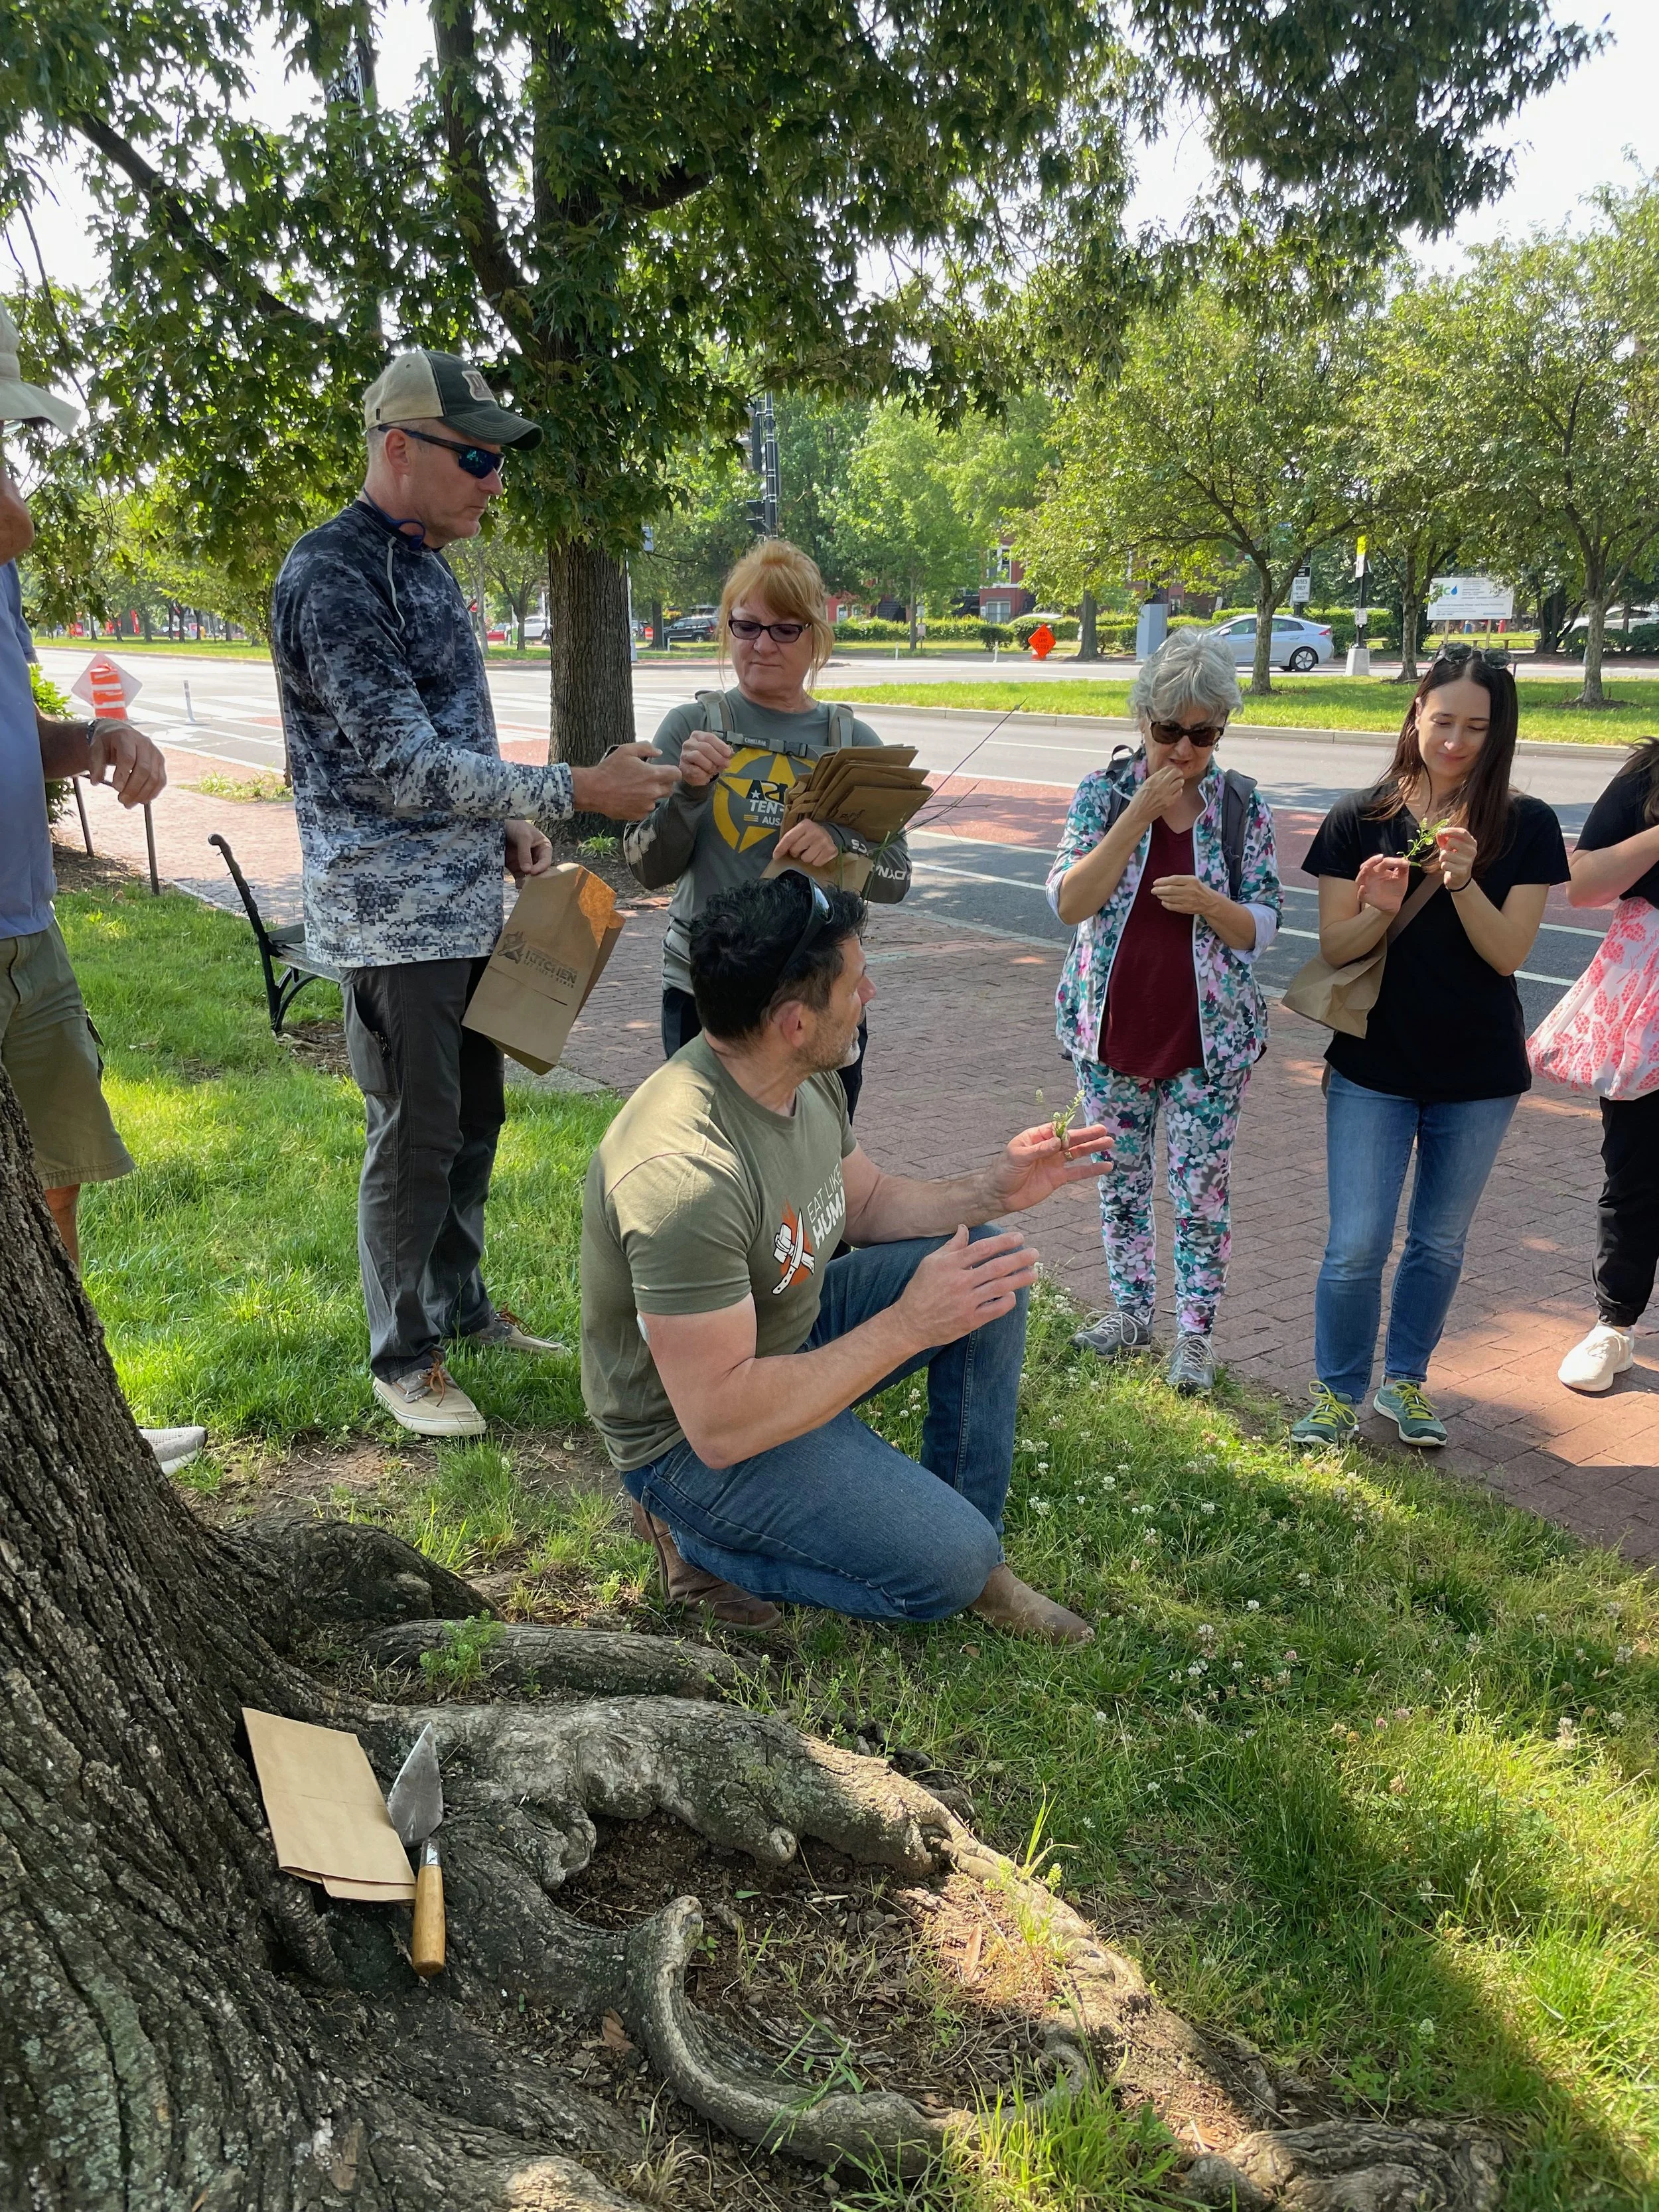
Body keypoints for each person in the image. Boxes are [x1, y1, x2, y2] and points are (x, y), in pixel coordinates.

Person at [271, 347, 679, 1439]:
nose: (495, 480)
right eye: (475, 455)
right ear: (397, 447)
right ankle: (402, 1355)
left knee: (475, 1117)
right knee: (417, 1132)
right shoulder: (333, 575)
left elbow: (447, 742)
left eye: (500, 459)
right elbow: (400, 765)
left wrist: (509, 820)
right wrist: (577, 787)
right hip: (389, 921)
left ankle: (459, 1309)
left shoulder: (431, 566)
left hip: (463, 911)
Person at [580, 872, 1109, 1637]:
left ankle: (973, 1556)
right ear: (795, 1022)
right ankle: (693, 1535)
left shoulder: (795, 1076)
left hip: (781, 1342)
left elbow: (865, 1204)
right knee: (940, 1571)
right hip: (688, 1440)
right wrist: (906, 1326)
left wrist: (995, 1187)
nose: (868, 998)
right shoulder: (683, 1178)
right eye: (856, 986)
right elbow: (721, 1422)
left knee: (984, 1267)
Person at [0, 309, 202, 1473]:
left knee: (60, 1174)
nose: (16, 468)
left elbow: (12, 724)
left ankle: (85, 1425)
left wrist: (90, 744)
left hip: (30, 929)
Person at [1290, 646, 1569, 1449]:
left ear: (1496, 733)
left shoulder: (1526, 825)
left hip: (1477, 1072)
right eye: (1442, 719)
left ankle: (1403, 1385)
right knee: (1355, 1244)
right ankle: (1336, 1393)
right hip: (1372, 1064)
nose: (1454, 740)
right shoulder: (1359, 818)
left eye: (1475, 727)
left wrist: (1462, 880)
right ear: (1415, 712)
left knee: (1437, 1242)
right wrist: (1380, 907)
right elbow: (1338, 949)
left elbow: (1508, 954)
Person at [1046, 628, 1280, 1396]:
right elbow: (1070, 902)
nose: (1183, 750)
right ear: (1141, 718)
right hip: (1112, 1030)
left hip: (1207, 1041)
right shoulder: (1100, 794)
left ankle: (1195, 1337)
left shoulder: (1241, 804)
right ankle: (1130, 1312)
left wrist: (1213, 905)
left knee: (1200, 1192)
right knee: (1118, 1181)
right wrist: (1135, 818)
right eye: (1168, 730)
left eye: (1203, 734)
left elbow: (1262, 928)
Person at [622, 538, 910, 1117]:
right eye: (747, 625)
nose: (762, 645)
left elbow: (898, 876)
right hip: (709, 994)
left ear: (817, 637)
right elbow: (645, 866)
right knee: (712, 1160)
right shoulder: (691, 726)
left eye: (785, 629)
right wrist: (689, 793)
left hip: (820, 1000)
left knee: (820, 1168)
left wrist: (844, 843)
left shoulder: (852, 742)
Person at [1529, 739, 1659, 1393]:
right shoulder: (1650, 771)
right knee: (1636, 1172)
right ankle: (1615, 1326)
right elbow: (1581, 885)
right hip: (1649, 1008)